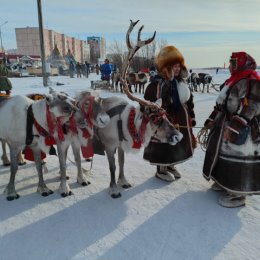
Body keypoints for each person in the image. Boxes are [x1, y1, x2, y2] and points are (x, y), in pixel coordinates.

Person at [203, 51, 260, 208]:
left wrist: (235, 127)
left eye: (232, 63)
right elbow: (221, 104)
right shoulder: (233, 80)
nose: (229, 66)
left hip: (243, 128)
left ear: (240, 64)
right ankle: (223, 183)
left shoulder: (252, 80)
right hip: (225, 124)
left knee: (238, 158)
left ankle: (237, 194)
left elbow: (253, 107)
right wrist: (211, 119)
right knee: (223, 155)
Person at [143, 45, 197, 182]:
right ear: (166, 67)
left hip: (181, 119)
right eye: (174, 66)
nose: (178, 69)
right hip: (165, 121)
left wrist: (191, 116)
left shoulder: (180, 82)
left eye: (179, 66)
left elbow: (189, 100)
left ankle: (171, 165)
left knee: (177, 144)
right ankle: (161, 169)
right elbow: (148, 105)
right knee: (164, 143)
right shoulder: (157, 84)